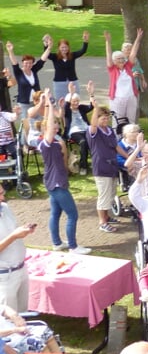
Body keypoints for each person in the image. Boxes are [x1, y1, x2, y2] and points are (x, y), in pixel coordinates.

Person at [38, 92, 88, 254]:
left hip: (54, 181)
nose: (57, 128)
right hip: (57, 183)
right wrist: (49, 105)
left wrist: (51, 106)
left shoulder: (51, 142)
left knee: (56, 212)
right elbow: (50, 122)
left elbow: (52, 122)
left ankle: (57, 243)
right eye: (54, 128)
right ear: (47, 131)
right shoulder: (45, 144)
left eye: (57, 127)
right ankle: (73, 246)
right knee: (72, 214)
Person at [85, 101, 119, 234]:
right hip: (101, 166)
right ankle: (102, 222)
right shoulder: (94, 131)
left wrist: (128, 156)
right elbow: (93, 124)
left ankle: (106, 216)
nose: (106, 120)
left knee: (111, 194)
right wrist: (95, 107)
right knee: (103, 195)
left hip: (112, 165)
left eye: (107, 117)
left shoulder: (109, 130)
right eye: (103, 118)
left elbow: (116, 146)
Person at [0, 184, 33, 311]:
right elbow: (11, 236)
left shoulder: (5, 208)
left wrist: (23, 230)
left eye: (3, 192)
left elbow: (11, 231)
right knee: (8, 322)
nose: (3, 197)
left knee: (23, 315)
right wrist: (14, 236)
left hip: (21, 269)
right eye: (0, 194)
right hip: (4, 277)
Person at [104, 28, 143, 123]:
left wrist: (138, 39)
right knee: (118, 122)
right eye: (118, 59)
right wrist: (108, 42)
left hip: (131, 97)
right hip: (117, 99)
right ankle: (117, 138)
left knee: (131, 121)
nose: (121, 60)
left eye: (122, 58)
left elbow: (133, 52)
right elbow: (108, 54)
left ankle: (131, 137)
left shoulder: (128, 66)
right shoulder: (112, 69)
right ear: (114, 61)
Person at [6, 40, 50, 119]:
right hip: (24, 103)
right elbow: (14, 63)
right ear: (23, 63)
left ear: (33, 64)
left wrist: (49, 48)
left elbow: (42, 60)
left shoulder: (34, 70)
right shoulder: (19, 73)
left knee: (39, 121)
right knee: (26, 122)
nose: (28, 65)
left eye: (30, 63)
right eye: (26, 63)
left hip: (37, 101)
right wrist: (10, 51)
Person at [45, 32, 88, 103]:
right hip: (59, 84)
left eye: (66, 47)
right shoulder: (55, 57)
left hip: (73, 82)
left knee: (74, 101)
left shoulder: (72, 55)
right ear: (59, 48)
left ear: (68, 48)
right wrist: (47, 45)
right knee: (61, 102)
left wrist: (85, 41)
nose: (64, 49)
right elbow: (47, 54)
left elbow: (83, 51)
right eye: (62, 47)